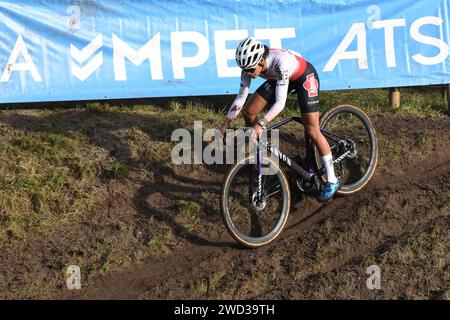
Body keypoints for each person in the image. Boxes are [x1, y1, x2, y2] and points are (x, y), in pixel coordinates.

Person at [218, 37, 340, 202]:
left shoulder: (280, 62)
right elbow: (241, 97)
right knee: (249, 111)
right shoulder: (250, 65)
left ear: (261, 60)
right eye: (244, 69)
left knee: (312, 129)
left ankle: (332, 180)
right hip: (278, 79)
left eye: (250, 69)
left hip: (304, 77)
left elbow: (280, 103)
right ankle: (258, 152)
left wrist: (261, 123)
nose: (247, 73)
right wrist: (225, 123)